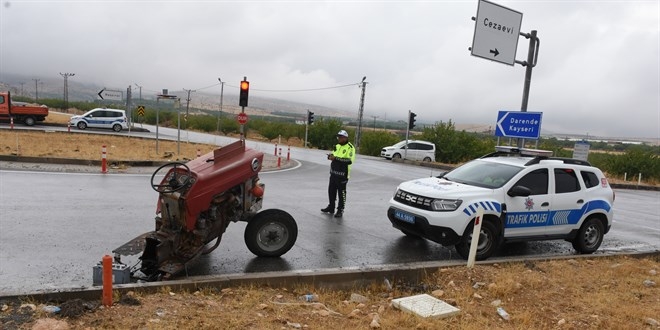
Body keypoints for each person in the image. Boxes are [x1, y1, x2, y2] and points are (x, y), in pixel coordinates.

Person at [321, 129, 356, 218]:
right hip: (333, 173)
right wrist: (330, 156)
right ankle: (331, 207)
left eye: (340, 137)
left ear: (345, 138)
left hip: (343, 174)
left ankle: (340, 209)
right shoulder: (337, 146)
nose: (339, 139)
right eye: (338, 137)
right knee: (331, 191)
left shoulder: (350, 147)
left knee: (342, 193)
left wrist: (335, 158)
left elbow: (349, 160)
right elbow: (334, 155)